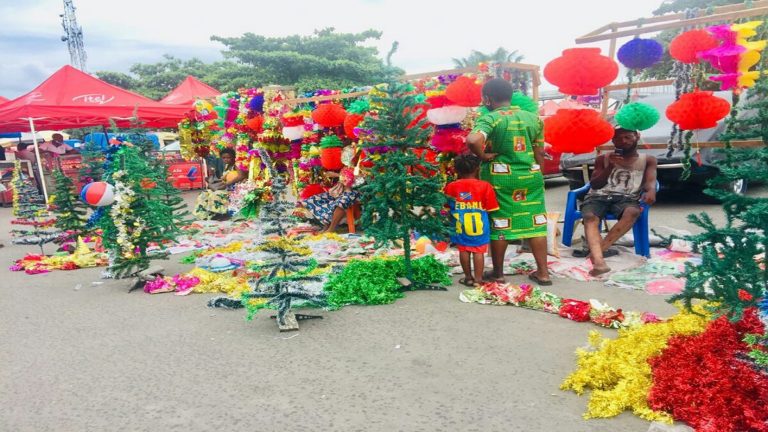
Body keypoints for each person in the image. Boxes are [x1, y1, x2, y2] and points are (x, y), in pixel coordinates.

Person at [466, 78, 552, 285]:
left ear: (487, 99)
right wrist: (539, 175)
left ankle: (498, 273)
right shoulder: (534, 119)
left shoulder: (491, 118)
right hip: (530, 176)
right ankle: (543, 273)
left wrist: (483, 155)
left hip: (501, 179)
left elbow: (473, 140)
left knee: (500, 223)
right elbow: (539, 152)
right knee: (536, 223)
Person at [577, 127, 657, 276]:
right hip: (598, 196)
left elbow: (650, 181)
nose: (623, 141)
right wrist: (610, 167)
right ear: (613, 141)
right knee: (589, 216)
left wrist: (651, 190)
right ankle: (599, 264)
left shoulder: (648, 160)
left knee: (632, 212)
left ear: (637, 136)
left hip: (627, 197)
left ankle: (597, 252)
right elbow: (595, 184)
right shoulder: (603, 159)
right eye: (618, 139)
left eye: (628, 137)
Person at [444, 154, 499, 286]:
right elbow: (491, 208)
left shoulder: (451, 186)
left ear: (456, 170)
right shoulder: (485, 186)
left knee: (463, 250)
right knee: (478, 251)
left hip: (459, 225)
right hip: (480, 226)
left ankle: (468, 278)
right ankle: (478, 280)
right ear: (477, 169)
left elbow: (447, 206)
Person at [193, 148, 246, 220]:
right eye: (224, 158)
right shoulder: (227, 166)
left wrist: (227, 183)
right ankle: (204, 214)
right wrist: (213, 181)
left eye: (228, 157)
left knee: (216, 194)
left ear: (233, 157)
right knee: (204, 193)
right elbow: (224, 178)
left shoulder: (237, 165)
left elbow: (241, 176)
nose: (226, 159)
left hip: (235, 189)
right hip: (226, 188)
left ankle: (221, 213)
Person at [304, 167, 360, 233]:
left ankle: (331, 228)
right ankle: (326, 225)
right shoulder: (344, 167)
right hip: (339, 191)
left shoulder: (360, 166)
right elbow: (327, 174)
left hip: (353, 192)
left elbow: (358, 180)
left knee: (342, 203)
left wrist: (346, 177)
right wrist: (340, 175)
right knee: (314, 200)